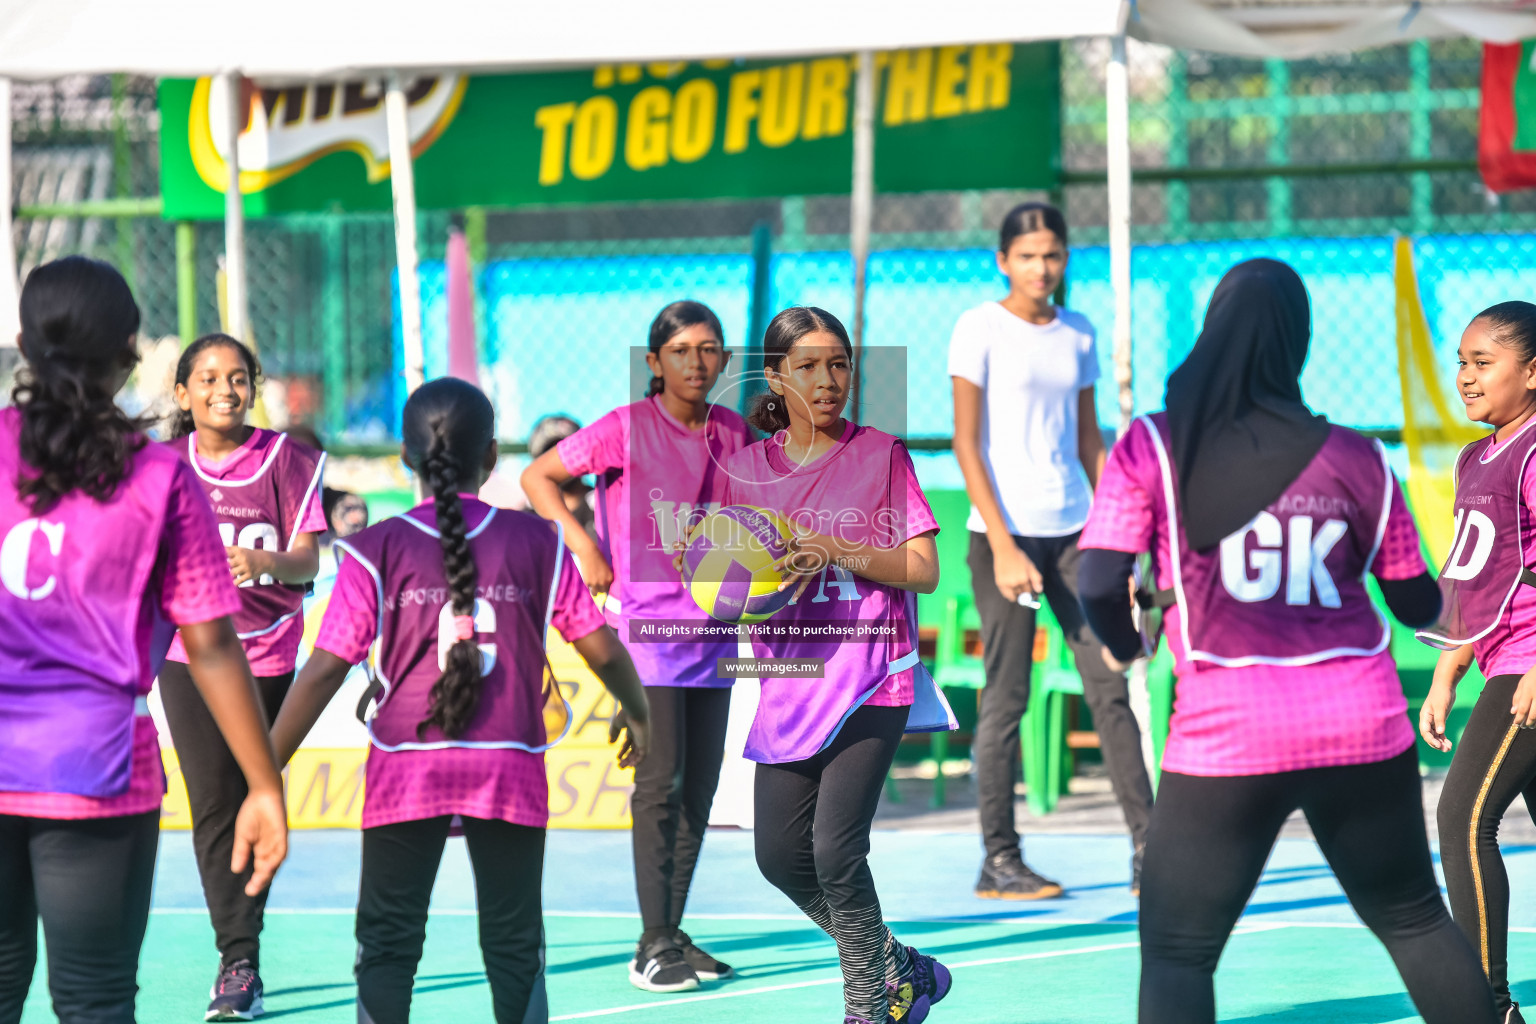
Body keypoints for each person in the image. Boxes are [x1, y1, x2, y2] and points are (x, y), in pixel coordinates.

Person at [1076, 258, 1496, 1024]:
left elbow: (1097, 581)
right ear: (1298, 344)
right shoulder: (1358, 456)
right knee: (1413, 919)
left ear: (1212, 335)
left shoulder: (1156, 446)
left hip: (1228, 733)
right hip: (1360, 726)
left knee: (1178, 949)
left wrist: (1129, 645)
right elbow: (1414, 603)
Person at [269, 377, 651, 1024]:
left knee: (388, 945)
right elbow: (601, 650)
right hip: (508, 767)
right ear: (492, 455)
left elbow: (323, 672)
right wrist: (640, 713)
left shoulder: (371, 550)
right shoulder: (541, 543)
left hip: (404, 766)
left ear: (406, 458)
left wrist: (262, 765)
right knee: (514, 947)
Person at [0, 256, 287, 1024]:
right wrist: (263, 785)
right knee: (94, 1002)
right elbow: (212, 644)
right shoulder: (158, 475)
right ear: (131, 350)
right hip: (95, 769)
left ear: (25, 342)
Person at [723, 306, 953, 1024]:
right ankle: (901, 967)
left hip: (871, 674)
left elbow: (923, 569)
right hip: (791, 681)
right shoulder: (747, 471)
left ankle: (868, 1007)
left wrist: (834, 547)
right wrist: (750, 597)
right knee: (777, 856)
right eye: (808, 366)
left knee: (835, 851)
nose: (828, 381)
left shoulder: (881, 454)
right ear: (776, 375)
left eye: (840, 365)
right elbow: (727, 589)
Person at [521, 301, 751, 992]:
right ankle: (652, 944)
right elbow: (538, 479)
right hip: (648, 634)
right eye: (680, 349)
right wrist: (581, 539)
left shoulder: (735, 431)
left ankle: (671, 928)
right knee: (660, 784)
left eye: (709, 349)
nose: (696, 361)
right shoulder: (625, 428)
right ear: (654, 362)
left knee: (700, 789)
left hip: (716, 630)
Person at [949, 200, 1154, 899]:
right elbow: (964, 445)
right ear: (1003, 260)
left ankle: (1148, 850)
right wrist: (1004, 546)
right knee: (1006, 697)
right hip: (1003, 535)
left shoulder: (1080, 332)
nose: (1042, 267)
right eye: (1029, 255)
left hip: (1079, 533)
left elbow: (1091, 441)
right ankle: (997, 860)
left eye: (1054, 254)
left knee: (1110, 686)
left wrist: (1117, 541)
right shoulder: (977, 327)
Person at [157, 332, 327, 1019]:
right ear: (181, 393)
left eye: (238, 379)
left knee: (257, 796)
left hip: (264, 653)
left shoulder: (288, 461)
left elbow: (311, 561)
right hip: (185, 656)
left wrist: (267, 565)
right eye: (208, 379)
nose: (224, 391)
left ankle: (240, 950)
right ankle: (239, 959)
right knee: (213, 807)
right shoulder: (162, 466)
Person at [1419, 301, 1536, 1024]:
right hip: (1500, 662)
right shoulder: (1476, 456)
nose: (1464, 376)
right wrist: (1447, 666)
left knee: (1463, 818)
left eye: (1482, 362)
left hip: (1529, 667)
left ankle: (1487, 1009)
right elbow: (1476, 577)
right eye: (1461, 361)